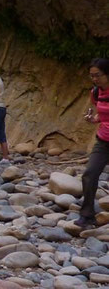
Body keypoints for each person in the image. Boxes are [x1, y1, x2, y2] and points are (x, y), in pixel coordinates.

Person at [76, 58, 109, 228]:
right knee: (89, 174)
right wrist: (93, 119)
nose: (95, 79)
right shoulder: (96, 92)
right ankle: (87, 215)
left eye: (98, 75)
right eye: (92, 76)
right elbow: (102, 116)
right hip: (103, 141)